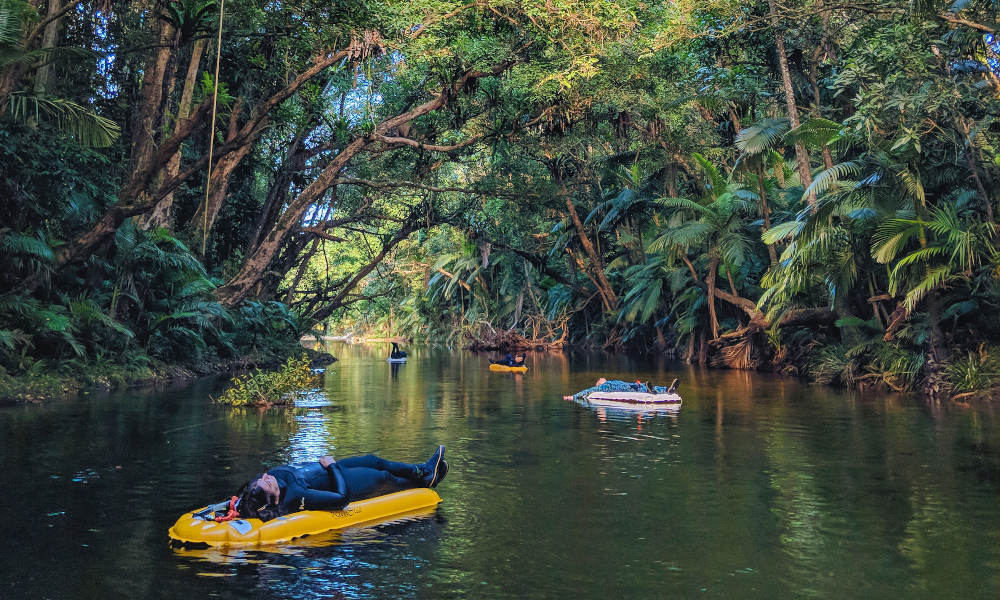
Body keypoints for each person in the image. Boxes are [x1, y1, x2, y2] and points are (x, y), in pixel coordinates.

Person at [234, 446, 448, 522]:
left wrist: (232, 508)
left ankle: (424, 471)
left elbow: (243, 498)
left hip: (328, 469)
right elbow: (341, 499)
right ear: (274, 497)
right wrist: (332, 467)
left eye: (263, 478)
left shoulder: (253, 491)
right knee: (383, 477)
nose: (265, 476)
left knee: (375, 460)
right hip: (339, 478)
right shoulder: (297, 495)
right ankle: (426, 481)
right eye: (266, 483)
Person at [562, 378, 676, 401]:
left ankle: (667, 389)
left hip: (627, 384)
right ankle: (650, 390)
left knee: (641, 385)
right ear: (599, 383)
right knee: (638, 388)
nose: (602, 378)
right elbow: (587, 391)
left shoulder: (610, 382)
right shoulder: (601, 387)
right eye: (600, 379)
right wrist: (572, 397)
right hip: (624, 388)